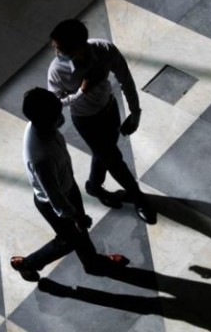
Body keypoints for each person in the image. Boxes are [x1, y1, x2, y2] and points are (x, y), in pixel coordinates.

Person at [10, 87, 126, 281]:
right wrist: (76, 216)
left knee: (77, 235)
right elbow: (55, 199)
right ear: (45, 121)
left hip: (67, 187)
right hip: (54, 203)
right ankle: (28, 264)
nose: (61, 119)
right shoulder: (41, 158)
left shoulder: (40, 124)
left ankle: (92, 263)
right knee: (69, 240)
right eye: (56, 117)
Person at [47, 18, 156, 224]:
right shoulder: (57, 70)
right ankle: (138, 198)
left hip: (109, 107)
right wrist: (81, 92)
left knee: (104, 152)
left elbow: (126, 79)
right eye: (55, 48)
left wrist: (135, 112)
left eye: (60, 49)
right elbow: (57, 102)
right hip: (86, 120)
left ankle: (94, 186)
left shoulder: (105, 50)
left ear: (78, 47)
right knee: (113, 158)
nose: (56, 54)